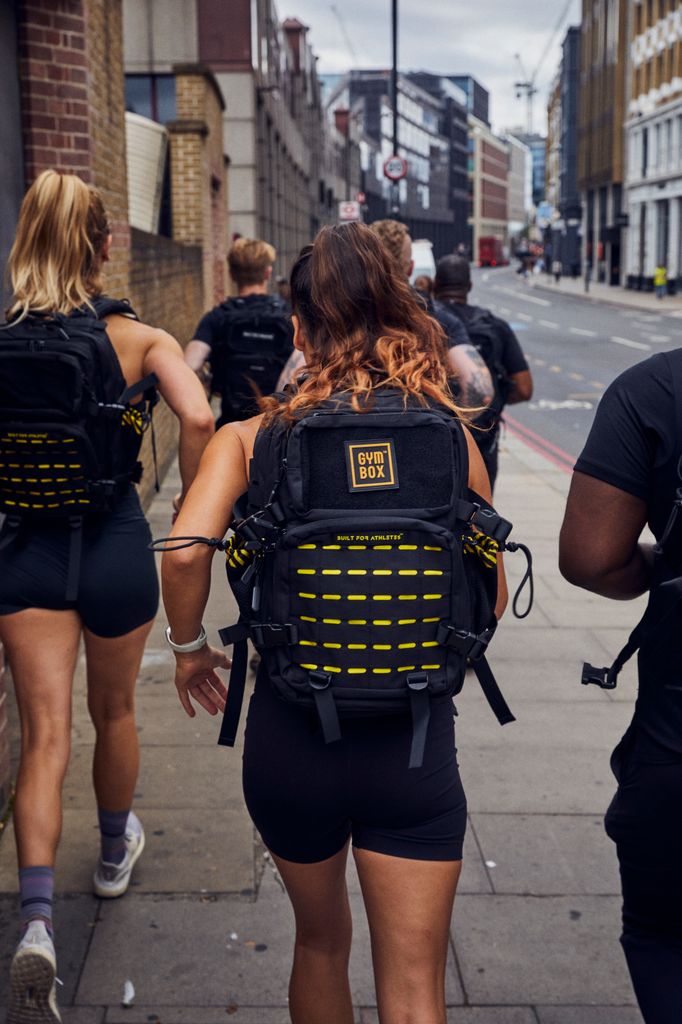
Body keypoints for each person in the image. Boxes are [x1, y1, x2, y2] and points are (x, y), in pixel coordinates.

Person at [161, 222, 508, 1024]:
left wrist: (188, 652)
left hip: (292, 741)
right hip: (414, 741)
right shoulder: (448, 436)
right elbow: (484, 596)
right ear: (399, 314)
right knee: (416, 983)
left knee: (320, 945)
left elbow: (183, 555)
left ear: (298, 326)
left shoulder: (254, 438)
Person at [0, 170, 214, 1022]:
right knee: (114, 712)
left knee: (44, 734)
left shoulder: (5, 337)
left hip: (26, 553)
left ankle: (39, 920)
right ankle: (115, 853)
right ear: (100, 245)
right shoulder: (140, 338)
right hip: (118, 543)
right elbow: (199, 421)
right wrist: (196, 510)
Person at [559, 350, 682, 1024]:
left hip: (676, 740)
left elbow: (592, 557)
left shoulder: (655, 388)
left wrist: (662, 569)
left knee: (665, 936)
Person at [369, 219, 494, 413]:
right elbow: (481, 390)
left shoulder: (341, 315)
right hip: (421, 434)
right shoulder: (437, 319)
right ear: (410, 268)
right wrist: (451, 431)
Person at [433, 255, 533, 490]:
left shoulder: (426, 322)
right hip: (483, 438)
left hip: (438, 437)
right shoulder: (495, 326)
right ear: (469, 286)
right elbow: (524, 388)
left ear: (436, 285)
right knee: (483, 517)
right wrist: (494, 397)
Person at [184, 237, 294, 427]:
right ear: (268, 273)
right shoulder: (288, 318)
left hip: (231, 427)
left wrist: (210, 381)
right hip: (279, 427)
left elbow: (189, 366)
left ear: (232, 274)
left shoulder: (217, 317)